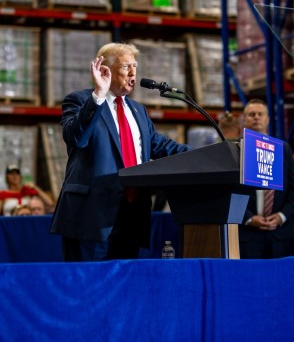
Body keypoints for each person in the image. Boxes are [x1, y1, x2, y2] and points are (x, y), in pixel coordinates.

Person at [50, 42, 192, 261]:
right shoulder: (80, 100)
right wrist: (98, 94)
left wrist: (210, 152)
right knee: (88, 288)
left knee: (124, 287)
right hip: (91, 217)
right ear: (105, 69)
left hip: (132, 216)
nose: (133, 72)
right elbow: (76, 138)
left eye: (135, 66)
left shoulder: (138, 111)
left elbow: (162, 146)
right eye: (127, 66)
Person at [239, 99, 294, 259]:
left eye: (260, 114)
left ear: (268, 119)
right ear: (244, 119)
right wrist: (249, 218)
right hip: (247, 235)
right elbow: (230, 192)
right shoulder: (236, 150)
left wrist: (282, 216)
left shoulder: (282, 148)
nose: (256, 117)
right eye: (252, 114)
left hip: (280, 235)